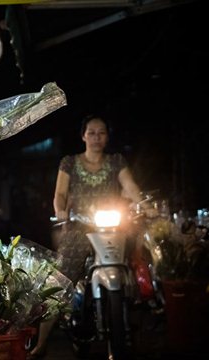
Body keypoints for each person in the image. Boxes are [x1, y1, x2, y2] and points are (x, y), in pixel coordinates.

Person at [29, 114, 144, 359]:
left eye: (101, 133)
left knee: (137, 256)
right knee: (60, 280)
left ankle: (139, 303)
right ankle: (41, 343)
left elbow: (131, 186)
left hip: (112, 227)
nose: (96, 137)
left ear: (107, 137)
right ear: (83, 136)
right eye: (91, 132)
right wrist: (60, 210)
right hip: (79, 227)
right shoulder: (69, 162)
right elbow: (60, 193)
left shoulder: (116, 161)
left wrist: (143, 203)